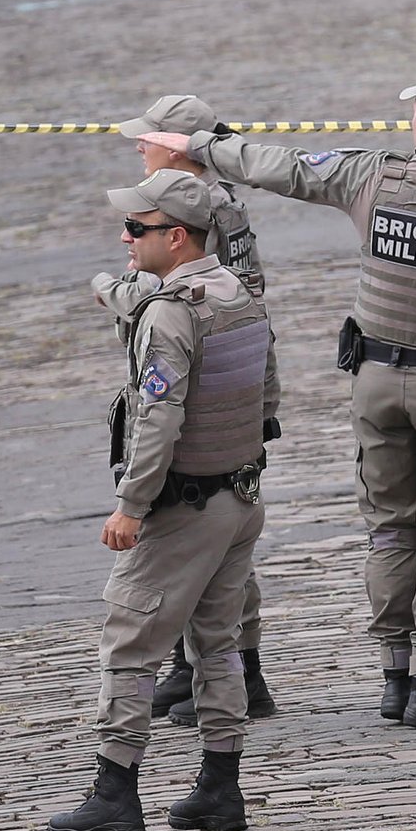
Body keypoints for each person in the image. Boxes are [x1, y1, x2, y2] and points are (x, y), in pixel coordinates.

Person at [147, 62, 416, 729]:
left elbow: (274, 166)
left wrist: (199, 146)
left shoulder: (371, 176)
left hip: (373, 381)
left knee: (388, 526)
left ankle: (395, 676)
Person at [46, 170, 281, 831]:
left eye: (136, 229)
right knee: (217, 645)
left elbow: (157, 420)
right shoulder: (238, 293)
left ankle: (115, 792)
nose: (124, 238)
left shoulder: (171, 312)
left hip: (183, 507)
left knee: (128, 641)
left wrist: (131, 505)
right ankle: (219, 785)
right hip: (238, 497)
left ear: (175, 238)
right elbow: (268, 394)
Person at [109, 94, 277, 726]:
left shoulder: (216, 213)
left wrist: (120, 294)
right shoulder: (169, 206)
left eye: (148, 138)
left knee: (214, 533)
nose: (139, 146)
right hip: (207, 383)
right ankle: (204, 670)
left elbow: (233, 302)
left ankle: (239, 669)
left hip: (210, 395)